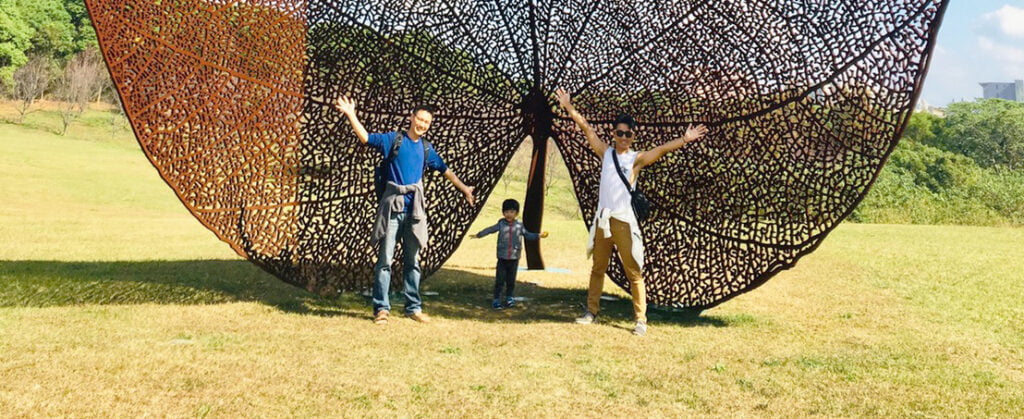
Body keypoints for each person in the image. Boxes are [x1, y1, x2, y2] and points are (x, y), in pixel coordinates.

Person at [555, 88, 708, 336]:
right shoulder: (605, 153)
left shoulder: (636, 159)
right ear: (613, 134)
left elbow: (661, 150)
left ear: (633, 136)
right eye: (620, 133)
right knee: (598, 268)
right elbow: (587, 129)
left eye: (628, 134)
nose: (623, 137)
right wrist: (568, 106)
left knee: (633, 271)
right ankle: (591, 311)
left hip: (623, 221)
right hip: (604, 220)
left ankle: (640, 320)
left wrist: (684, 139)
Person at [335, 95, 476, 325]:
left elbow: (445, 170)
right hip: (393, 209)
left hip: (414, 212)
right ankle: (381, 308)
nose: (422, 124)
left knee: (413, 262)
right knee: (385, 261)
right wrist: (351, 115)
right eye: (420, 119)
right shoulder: (394, 140)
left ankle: (413, 308)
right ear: (412, 118)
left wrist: (465, 189)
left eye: (427, 122)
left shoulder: (427, 149)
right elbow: (366, 138)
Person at [471, 199, 549, 310]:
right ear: (503, 213)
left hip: (514, 258)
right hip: (502, 257)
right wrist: (479, 235)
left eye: (512, 212)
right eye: (506, 212)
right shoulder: (501, 224)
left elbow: (528, 235)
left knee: (511, 280)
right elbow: (490, 230)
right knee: (500, 280)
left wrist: (538, 235)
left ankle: (509, 298)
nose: (509, 214)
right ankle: (496, 299)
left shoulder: (519, 226)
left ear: (516, 213)